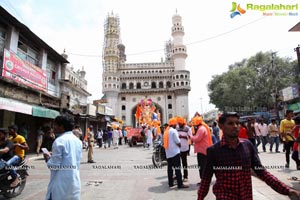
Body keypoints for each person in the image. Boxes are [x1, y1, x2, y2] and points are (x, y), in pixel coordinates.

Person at [197, 112, 300, 200]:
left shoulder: (247, 145)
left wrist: (287, 190)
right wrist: (200, 198)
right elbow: (206, 180)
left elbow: (262, 172)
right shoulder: (213, 151)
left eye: (237, 123)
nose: (235, 126)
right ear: (221, 126)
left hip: (245, 196)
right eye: (230, 123)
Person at [43, 115, 82, 200]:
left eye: (55, 125)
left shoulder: (59, 141)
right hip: (74, 182)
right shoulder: (78, 141)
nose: (54, 128)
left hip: (60, 184)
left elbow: (53, 166)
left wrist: (48, 158)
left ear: (61, 126)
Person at [163, 117, 188, 189]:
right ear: (173, 124)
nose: (176, 125)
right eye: (175, 124)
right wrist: (180, 145)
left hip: (168, 153)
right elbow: (177, 141)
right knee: (177, 168)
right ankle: (180, 184)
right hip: (175, 153)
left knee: (170, 169)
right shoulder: (173, 131)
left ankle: (170, 183)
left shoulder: (166, 131)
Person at [189, 116, 212, 185]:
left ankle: (204, 180)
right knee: (203, 166)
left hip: (202, 150)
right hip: (203, 150)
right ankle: (204, 180)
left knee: (202, 166)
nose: (194, 125)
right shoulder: (202, 128)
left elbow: (197, 139)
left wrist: (191, 136)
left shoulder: (201, 129)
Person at [177, 116, 192, 182]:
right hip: (177, 148)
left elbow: (190, 137)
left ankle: (185, 176)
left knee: (184, 162)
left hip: (184, 148)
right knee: (177, 163)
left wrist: (182, 136)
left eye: (180, 123)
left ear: (183, 123)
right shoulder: (177, 128)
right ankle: (178, 176)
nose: (179, 124)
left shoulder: (188, 128)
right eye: (178, 123)